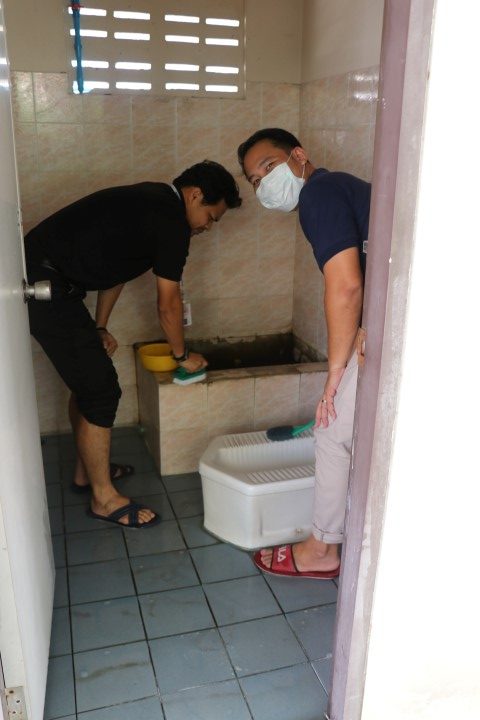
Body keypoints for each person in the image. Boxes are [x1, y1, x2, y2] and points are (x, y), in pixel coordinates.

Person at [25, 161, 242, 529]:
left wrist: (100, 326)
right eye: (211, 216)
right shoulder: (172, 222)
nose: (207, 226)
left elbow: (115, 271)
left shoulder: (152, 201)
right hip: (43, 284)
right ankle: (103, 498)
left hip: (47, 276)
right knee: (100, 389)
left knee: (88, 379)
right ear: (195, 195)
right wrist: (181, 355)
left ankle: (86, 472)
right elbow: (168, 304)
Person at [237, 128, 370, 578]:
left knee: (330, 429)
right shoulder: (338, 188)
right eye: (255, 181)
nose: (264, 183)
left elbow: (346, 286)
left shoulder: (319, 193)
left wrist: (334, 375)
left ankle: (321, 550)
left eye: (269, 167)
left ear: (298, 155)